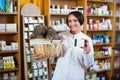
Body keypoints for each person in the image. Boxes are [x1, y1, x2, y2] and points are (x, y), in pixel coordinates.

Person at [32, 11, 94, 80]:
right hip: (59, 76)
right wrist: (39, 56)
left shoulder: (87, 39)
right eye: (69, 21)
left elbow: (88, 64)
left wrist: (88, 52)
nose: (72, 23)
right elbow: (51, 56)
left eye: (75, 20)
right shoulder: (60, 36)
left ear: (80, 22)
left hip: (76, 77)